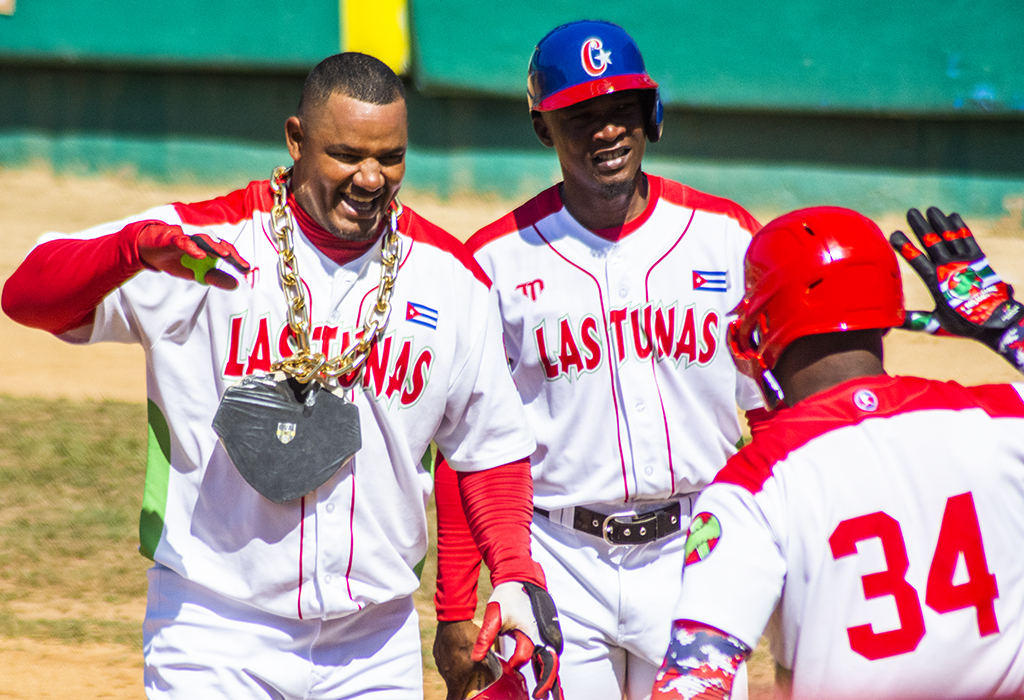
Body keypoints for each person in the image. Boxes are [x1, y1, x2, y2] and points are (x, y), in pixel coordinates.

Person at [2, 52, 561, 700]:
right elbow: (26, 296)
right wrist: (129, 252)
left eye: (392, 157)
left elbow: (488, 450)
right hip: (214, 628)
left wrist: (514, 572)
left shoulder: (449, 279)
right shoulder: (199, 246)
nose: (373, 178)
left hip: (373, 643)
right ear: (296, 139)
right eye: (347, 154)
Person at [431, 20, 768, 700]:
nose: (606, 131)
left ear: (651, 116)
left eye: (621, 111)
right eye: (580, 116)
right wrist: (452, 607)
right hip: (558, 558)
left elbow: (775, 414)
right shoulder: (495, 263)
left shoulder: (723, 238)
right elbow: (465, 448)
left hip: (692, 551)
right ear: (542, 130)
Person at [651, 206, 1024, 700]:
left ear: (764, 324)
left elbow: (694, 681)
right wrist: (1009, 328)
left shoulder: (752, 487)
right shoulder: (1001, 418)